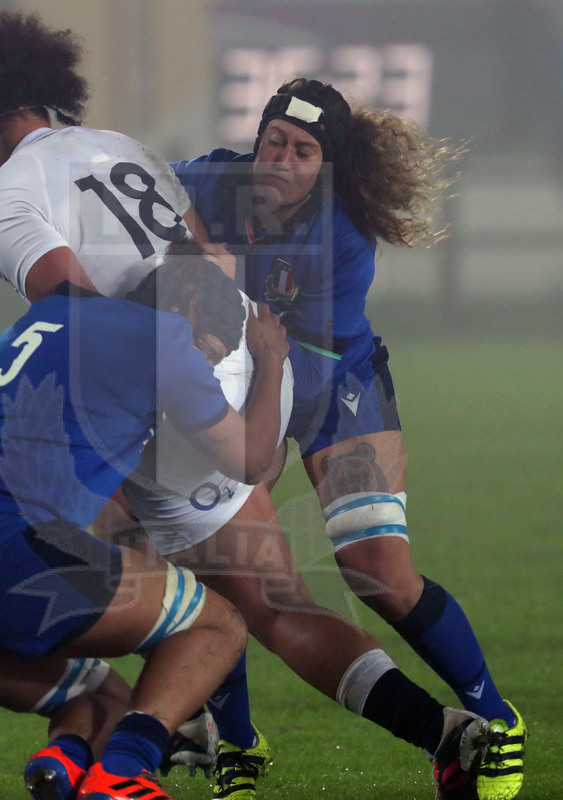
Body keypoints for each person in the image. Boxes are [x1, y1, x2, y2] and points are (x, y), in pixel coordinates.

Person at [0, 14, 503, 800]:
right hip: (248, 356)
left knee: (190, 591)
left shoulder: (9, 203)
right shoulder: (119, 145)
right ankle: (432, 732)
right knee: (258, 594)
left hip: (171, 397)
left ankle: (131, 743)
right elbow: (208, 259)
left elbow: (79, 324)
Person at [171, 78, 527, 800]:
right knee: (226, 564)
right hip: (246, 382)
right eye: (274, 139)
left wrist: (251, 433)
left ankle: (494, 718)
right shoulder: (206, 180)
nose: (282, 158)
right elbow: (134, 201)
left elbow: (307, 362)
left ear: (325, 165)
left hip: (335, 387)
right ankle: (239, 743)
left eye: (302, 150)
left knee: (379, 574)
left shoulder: (340, 233)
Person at [0, 251, 291, 800]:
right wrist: (268, 358)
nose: (206, 374)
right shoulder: (168, 336)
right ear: (189, 324)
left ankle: (61, 764)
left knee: (105, 703)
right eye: (210, 358)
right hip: (7, 550)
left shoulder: (45, 318)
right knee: (218, 626)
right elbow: (253, 460)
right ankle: (126, 776)